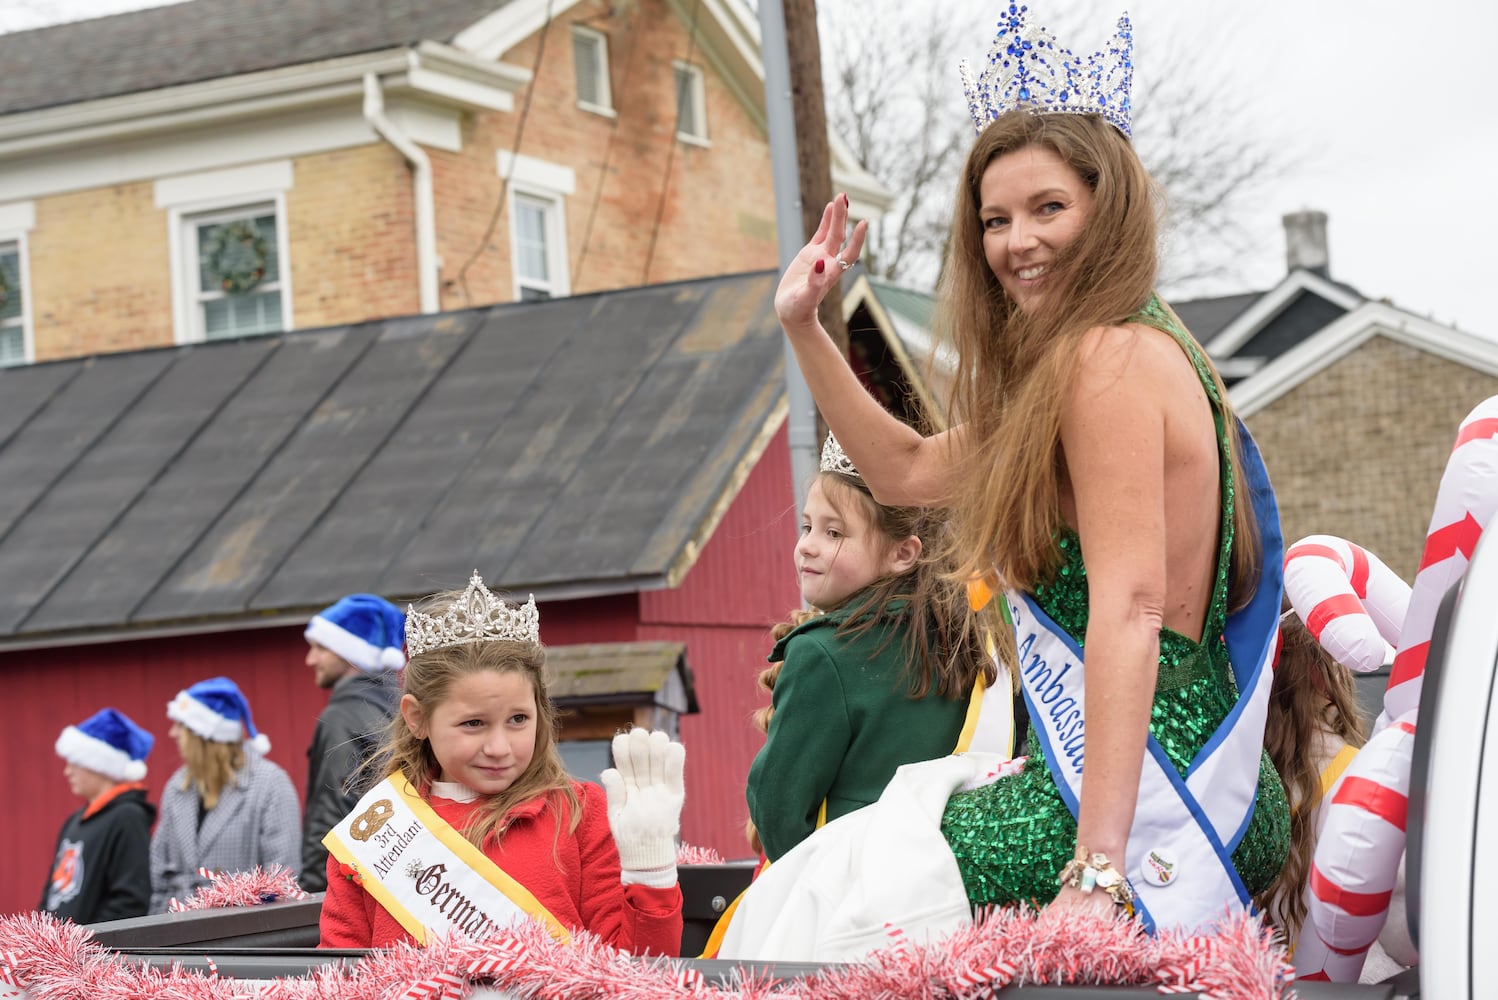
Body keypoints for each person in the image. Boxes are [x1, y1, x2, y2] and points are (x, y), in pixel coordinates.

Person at [723, 6, 1289, 954]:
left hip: (1150, 797)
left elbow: (1131, 611)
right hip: (1196, 777)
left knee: (817, 909)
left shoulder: (1102, 364)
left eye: (1047, 209)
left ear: (1107, 208)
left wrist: (1097, 870)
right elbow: (902, 467)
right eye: (994, 219)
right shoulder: (1144, 348)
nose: (1015, 241)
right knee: (832, 876)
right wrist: (805, 326)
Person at [319, 572, 685, 954]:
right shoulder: (375, 834)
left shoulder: (580, 815)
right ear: (417, 718)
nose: (499, 747)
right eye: (473, 723)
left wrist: (651, 870)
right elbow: (341, 977)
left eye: (518, 720)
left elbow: (637, 975)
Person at [745, 433, 990, 861]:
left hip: (846, 890)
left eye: (834, 532)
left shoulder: (820, 654)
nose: (807, 544)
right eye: (807, 527)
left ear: (903, 553)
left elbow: (776, 806)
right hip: (943, 882)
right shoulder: (964, 642)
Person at [1257, 611, 1368, 944]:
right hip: (1345, 982)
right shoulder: (1359, 775)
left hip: (1254, 976)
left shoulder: (1236, 771)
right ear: (1322, 675)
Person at [149, 676, 301, 912]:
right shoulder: (177, 787)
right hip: (179, 935)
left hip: (240, 936)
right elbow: (160, 877)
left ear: (202, 736)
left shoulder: (269, 784)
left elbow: (282, 879)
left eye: (180, 725)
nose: (172, 733)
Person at [300, 593, 405, 893]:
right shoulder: (399, 709)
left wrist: (312, 890)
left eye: (321, 647)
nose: (311, 659)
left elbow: (332, 812)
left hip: (347, 888)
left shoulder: (341, 716)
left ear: (350, 651)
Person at [41, 708, 156, 923]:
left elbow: (130, 901)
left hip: (93, 953)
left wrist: (87, 944)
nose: (67, 772)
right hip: (57, 951)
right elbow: (51, 891)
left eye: (74, 763)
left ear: (99, 765)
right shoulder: (75, 821)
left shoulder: (128, 817)